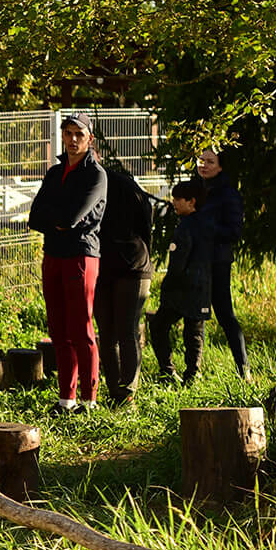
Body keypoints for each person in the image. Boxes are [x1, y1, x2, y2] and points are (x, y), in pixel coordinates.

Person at [27, 111, 107, 415]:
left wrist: (59, 216)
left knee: (81, 328)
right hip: (53, 255)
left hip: (81, 256)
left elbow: (71, 219)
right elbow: (35, 217)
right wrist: (58, 219)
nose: (73, 139)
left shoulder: (95, 175)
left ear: (89, 138)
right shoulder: (54, 172)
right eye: (68, 133)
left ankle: (89, 399)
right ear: (63, 135)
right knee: (58, 330)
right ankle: (66, 399)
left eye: (79, 134)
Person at [95, 158, 155, 405]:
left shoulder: (121, 185)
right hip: (103, 265)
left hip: (132, 265)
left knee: (125, 328)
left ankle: (127, 392)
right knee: (108, 332)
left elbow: (145, 218)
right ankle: (115, 392)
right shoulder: (83, 185)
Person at [148, 180, 212, 384]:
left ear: (191, 201)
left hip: (181, 289)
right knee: (194, 331)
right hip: (202, 287)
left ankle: (167, 371)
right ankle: (194, 373)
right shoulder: (208, 224)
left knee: (158, 326)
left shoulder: (185, 226)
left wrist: (167, 284)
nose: (173, 202)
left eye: (177, 199)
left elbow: (178, 261)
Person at [194, 148, 250, 379]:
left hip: (217, 262)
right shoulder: (196, 189)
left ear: (221, 166)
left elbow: (234, 231)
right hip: (195, 261)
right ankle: (192, 371)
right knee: (194, 315)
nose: (204, 165)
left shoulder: (228, 194)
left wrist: (206, 229)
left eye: (210, 161)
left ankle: (243, 368)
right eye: (201, 160)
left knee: (225, 314)